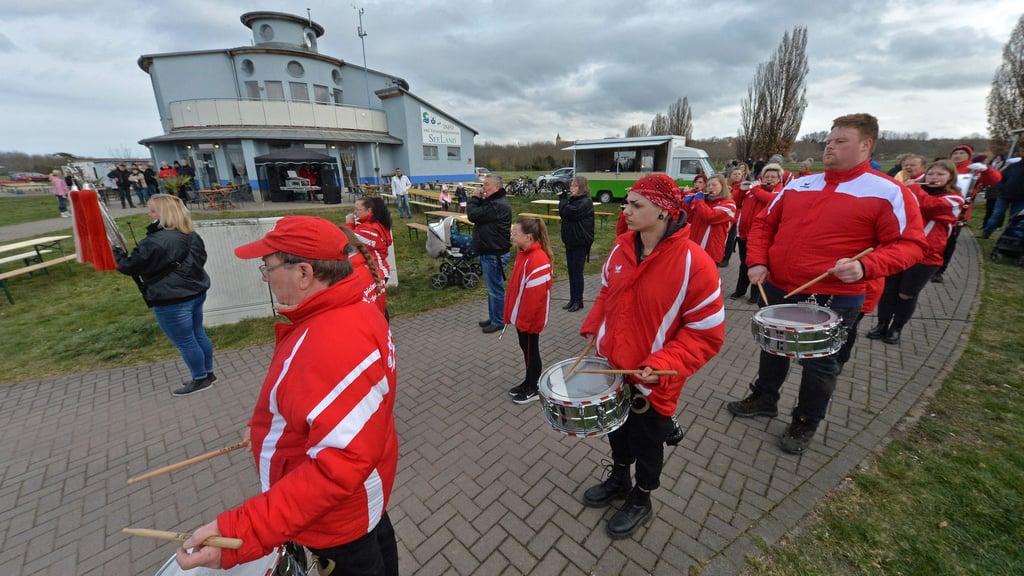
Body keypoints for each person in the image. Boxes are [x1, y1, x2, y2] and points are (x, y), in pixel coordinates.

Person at [174, 216, 398, 575]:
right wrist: (263, 430)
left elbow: (337, 467)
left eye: (268, 267)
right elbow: (319, 409)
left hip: (337, 518)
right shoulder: (347, 313)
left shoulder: (332, 343)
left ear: (305, 273)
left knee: (365, 556)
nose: (265, 276)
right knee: (379, 546)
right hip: (358, 499)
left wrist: (243, 531)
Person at [725, 113, 927, 454]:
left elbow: (912, 245)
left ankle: (805, 421)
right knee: (773, 347)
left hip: (834, 296)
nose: (829, 146)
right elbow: (763, 223)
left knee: (820, 365)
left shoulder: (888, 191)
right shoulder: (799, 184)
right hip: (778, 286)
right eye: (829, 140)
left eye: (840, 141)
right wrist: (757, 260)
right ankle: (764, 397)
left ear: (866, 145)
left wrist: (867, 266)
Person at [578, 173, 724, 539]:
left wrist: (661, 365)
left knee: (647, 442)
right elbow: (606, 296)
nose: (625, 210)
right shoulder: (620, 249)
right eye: (627, 203)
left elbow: (706, 334)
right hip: (614, 369)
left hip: (654, 380)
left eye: (635, 205)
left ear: (663, 212)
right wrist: (593, 329)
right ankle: (619, 480)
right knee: (616, 432)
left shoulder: (696, 263)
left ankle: (642, 498)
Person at [112, 194, 214, 396]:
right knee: (197, 333)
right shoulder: (190, 234)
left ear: (165, 214)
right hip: (194, 291)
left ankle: (200, 378)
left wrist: (116, 254)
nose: (149, 214)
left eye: (152, 210)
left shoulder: (155, 241)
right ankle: (207, 373)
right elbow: (200, 259)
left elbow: (130, 266)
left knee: (186, 340)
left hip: (171, 298)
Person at [867, 159, 964, 344]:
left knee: (906, 294)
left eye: (940, 174)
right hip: (901, 250)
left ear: (950, 177)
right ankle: (882, 324)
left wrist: (912, 189)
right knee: (889, 291)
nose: (934, 178)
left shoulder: (954, 199)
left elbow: (931, 206)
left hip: (927, 255)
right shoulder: (915, 192)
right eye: (932, 174)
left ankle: (896, 328)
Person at [933, 144, 1003, 282]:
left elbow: (994, 180)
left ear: (969, 156)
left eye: (961, 153)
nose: (958, 156)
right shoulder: (945, 168)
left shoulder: (974, 170)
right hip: (937, 208)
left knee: (949, 242)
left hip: (958, 213)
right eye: (955, 153)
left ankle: (939, 271)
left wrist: (986, 170)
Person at [504, 216, 554, 404]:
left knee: (531, 351)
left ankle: (534, 387)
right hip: (522, 317)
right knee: (525, 349)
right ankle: (528, 381)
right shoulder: (523, 253)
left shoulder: (538, 259)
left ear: (529, 237)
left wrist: (523, 321)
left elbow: (535, 299)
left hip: (530, 319)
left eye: (515, 234)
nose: (512, 236)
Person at [730, 163, 783, 303]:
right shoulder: (753, 190)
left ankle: (756, 294)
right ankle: (740, 290)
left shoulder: (779, 192)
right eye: (767, 176)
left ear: (779, 179)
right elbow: (735, 201)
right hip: (744, 234)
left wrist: (755, 189)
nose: (769, 179)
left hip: (761, 237)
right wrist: (742, 190)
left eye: (773, 177)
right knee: (744, 264)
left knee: (758, 265)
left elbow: (770, 201)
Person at [467, 174, 512, 333]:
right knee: (492, 288)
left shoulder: (497, 205)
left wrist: (474, 198)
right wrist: (479, 199)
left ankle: (499, 320)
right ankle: (494, 317)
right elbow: (479, 213)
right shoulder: (493, 202)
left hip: (494, 254)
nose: (482, 188)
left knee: (496, 289)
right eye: (483, 185)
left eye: (486, 185)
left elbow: (473, 215)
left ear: (497, 188)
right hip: (490, 251)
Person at [558, 175, 595, 312]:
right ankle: (572, 299)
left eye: (574, 185)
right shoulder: (574, 200)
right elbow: (564, 212)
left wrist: (562, 200)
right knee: (571, 272)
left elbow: (569, 213)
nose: (571, 188)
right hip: (571, 241)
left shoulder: (585, 202)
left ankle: (578, 301)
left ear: (581, 187)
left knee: (577, 273)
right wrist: (564, 201)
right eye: (571, 185)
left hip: (580, 242)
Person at [684, 173, 737, 265]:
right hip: (695, 247)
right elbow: (689, 219)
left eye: (714, 185)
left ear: (722, 186)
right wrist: (688, 204)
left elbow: (710, 216)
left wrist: (699, 201)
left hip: (711, 251)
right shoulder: (705, 202)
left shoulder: (729, 204)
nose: (710, 188)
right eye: (708, 185)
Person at [344, 196, 394, 283]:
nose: (354, 212)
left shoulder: (369, 230)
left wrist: (349, 224)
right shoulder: (374, 224)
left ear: (369, 211)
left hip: (376, 273)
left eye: (358, 209)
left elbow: (346, 240)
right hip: (375, 271)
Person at [981, 157, 1024, 239]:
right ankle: (986, 232)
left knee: (1013, 218)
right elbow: (1001, 177)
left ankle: (1007, 237)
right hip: (1004, 195)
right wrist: (1001, 188)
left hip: (1020, 199)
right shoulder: (1013, 166)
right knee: (996, 214)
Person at [720, 166, 745, 267]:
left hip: (735, 216)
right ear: (730, 175)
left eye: (739, 174)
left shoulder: (742, 187)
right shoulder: (724, 185)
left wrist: (730, 192)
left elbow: (737, 201)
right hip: (723, 213)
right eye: (735, 174)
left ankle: (726, 258)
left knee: (730, 238)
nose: (737, 176)